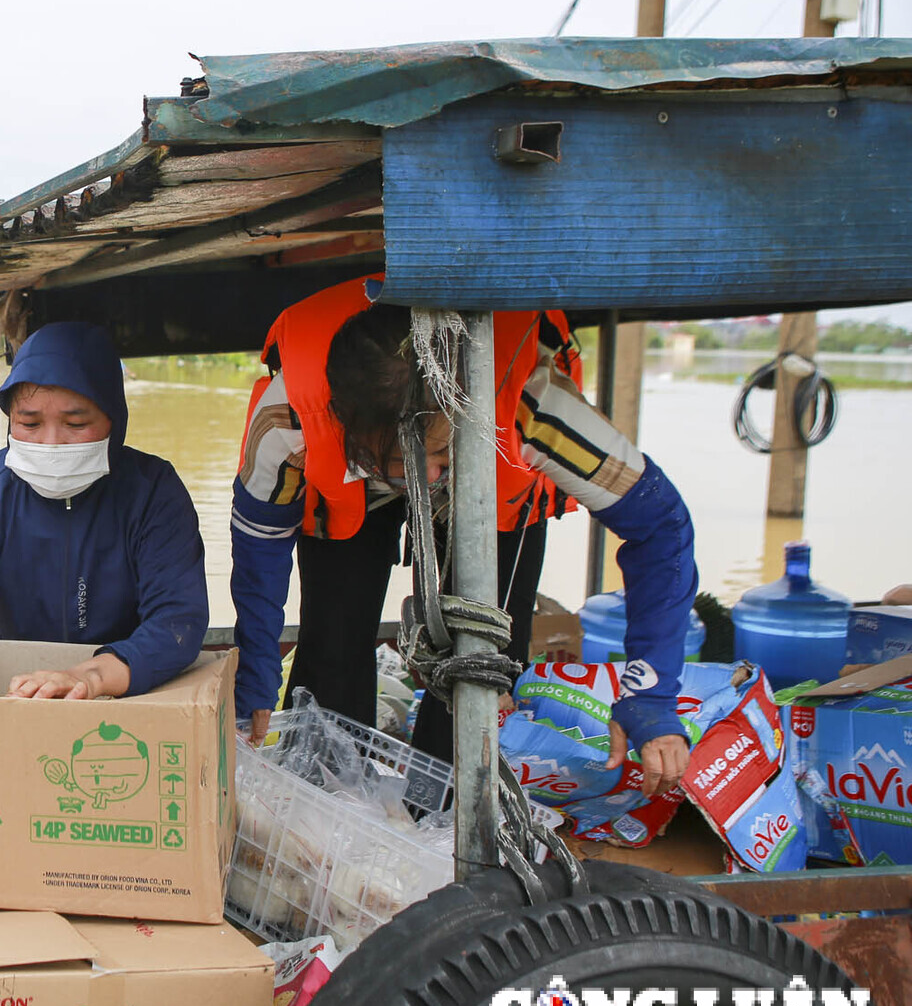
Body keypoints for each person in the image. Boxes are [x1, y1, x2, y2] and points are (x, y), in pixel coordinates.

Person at [230, 276, 697, 794]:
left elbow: (662, 526)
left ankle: (443, 813)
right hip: (349, 474)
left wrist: (650, 693)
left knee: (485, 660)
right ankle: (326, 805)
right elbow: (258, 552)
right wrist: (255, 674)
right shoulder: (286, 421)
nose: (425, 480)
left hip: (486, 460)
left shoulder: (529, 407)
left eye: (434, 455)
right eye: (400, 461)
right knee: (330, 647)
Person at [0, 321, 209, 700]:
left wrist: (90, 678)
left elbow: (177, 622)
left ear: (115, 420)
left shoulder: (154, 494)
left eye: (75, 423)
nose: (51, 443)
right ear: (10, 420)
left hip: (134, 691)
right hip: (21, 693)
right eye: (29, 423)